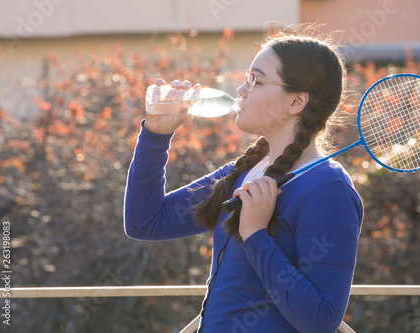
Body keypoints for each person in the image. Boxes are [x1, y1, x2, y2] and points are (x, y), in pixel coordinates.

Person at [124, 28, 363, 333]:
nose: (241, 90)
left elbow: (321, 321)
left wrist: (255, 235)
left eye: (257, 81)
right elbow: (145, 222)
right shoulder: (243, 172)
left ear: (296, 102)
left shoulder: (329, 190)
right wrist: (156, 135)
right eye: (247, 78)